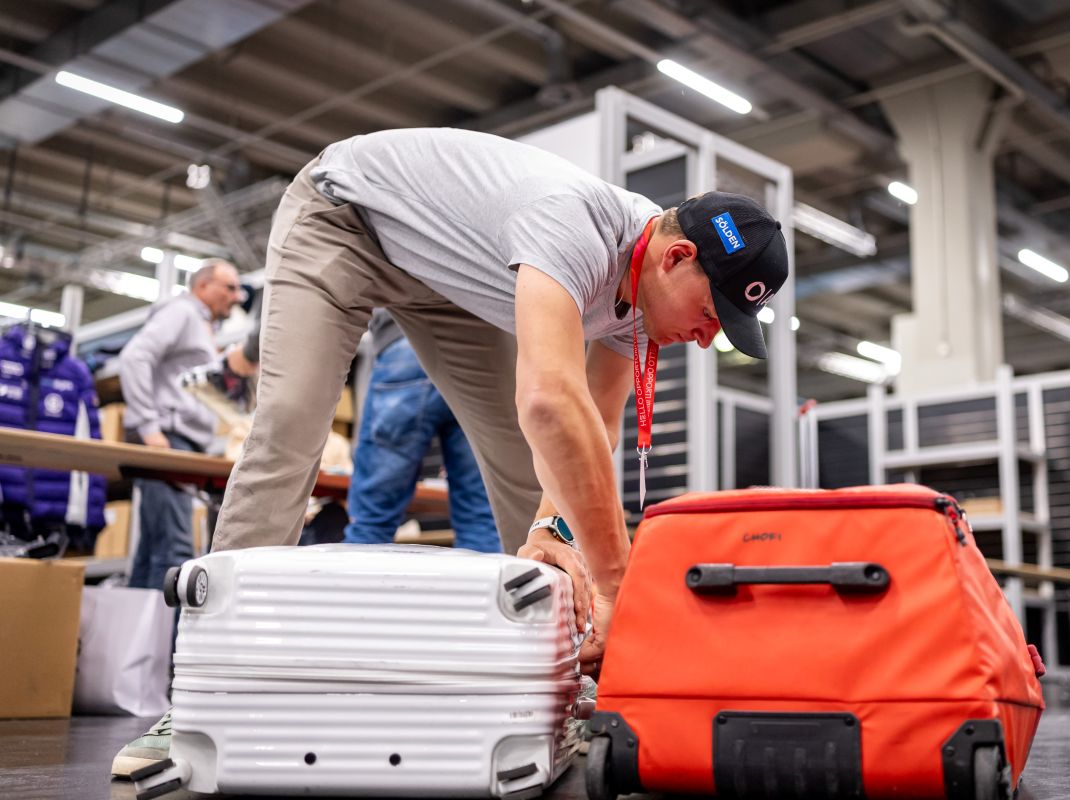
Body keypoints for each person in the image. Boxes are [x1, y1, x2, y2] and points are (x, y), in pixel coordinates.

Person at [112, 128, 786, 777]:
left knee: (539, 486)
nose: (706, 338)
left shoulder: (645, 293)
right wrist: (615, 587)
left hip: (447, 280)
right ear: (676, 259)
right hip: (346, 219)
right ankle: (204, 702)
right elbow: (549, 397)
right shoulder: (573, 224)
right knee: (288, 429)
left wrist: (555, 529)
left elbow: (593, 424)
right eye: (712, 313)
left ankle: (555, 693)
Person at [118, 259, 242, 592]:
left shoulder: (202, 324)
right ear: (202, 286)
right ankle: (170, 645)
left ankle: (138, 643)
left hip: (181, 441)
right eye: (229, 287)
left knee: (152, 552)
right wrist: (150, 427)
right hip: (169, 440)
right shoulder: (182, 312)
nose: (238, 296)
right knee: (176, 553)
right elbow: (134, 357)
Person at [344, 310, 501, 552]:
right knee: (480, 521)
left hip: (403, 339)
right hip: (477, 351)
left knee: (371, 523)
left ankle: (347, 588)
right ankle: (480, 591)